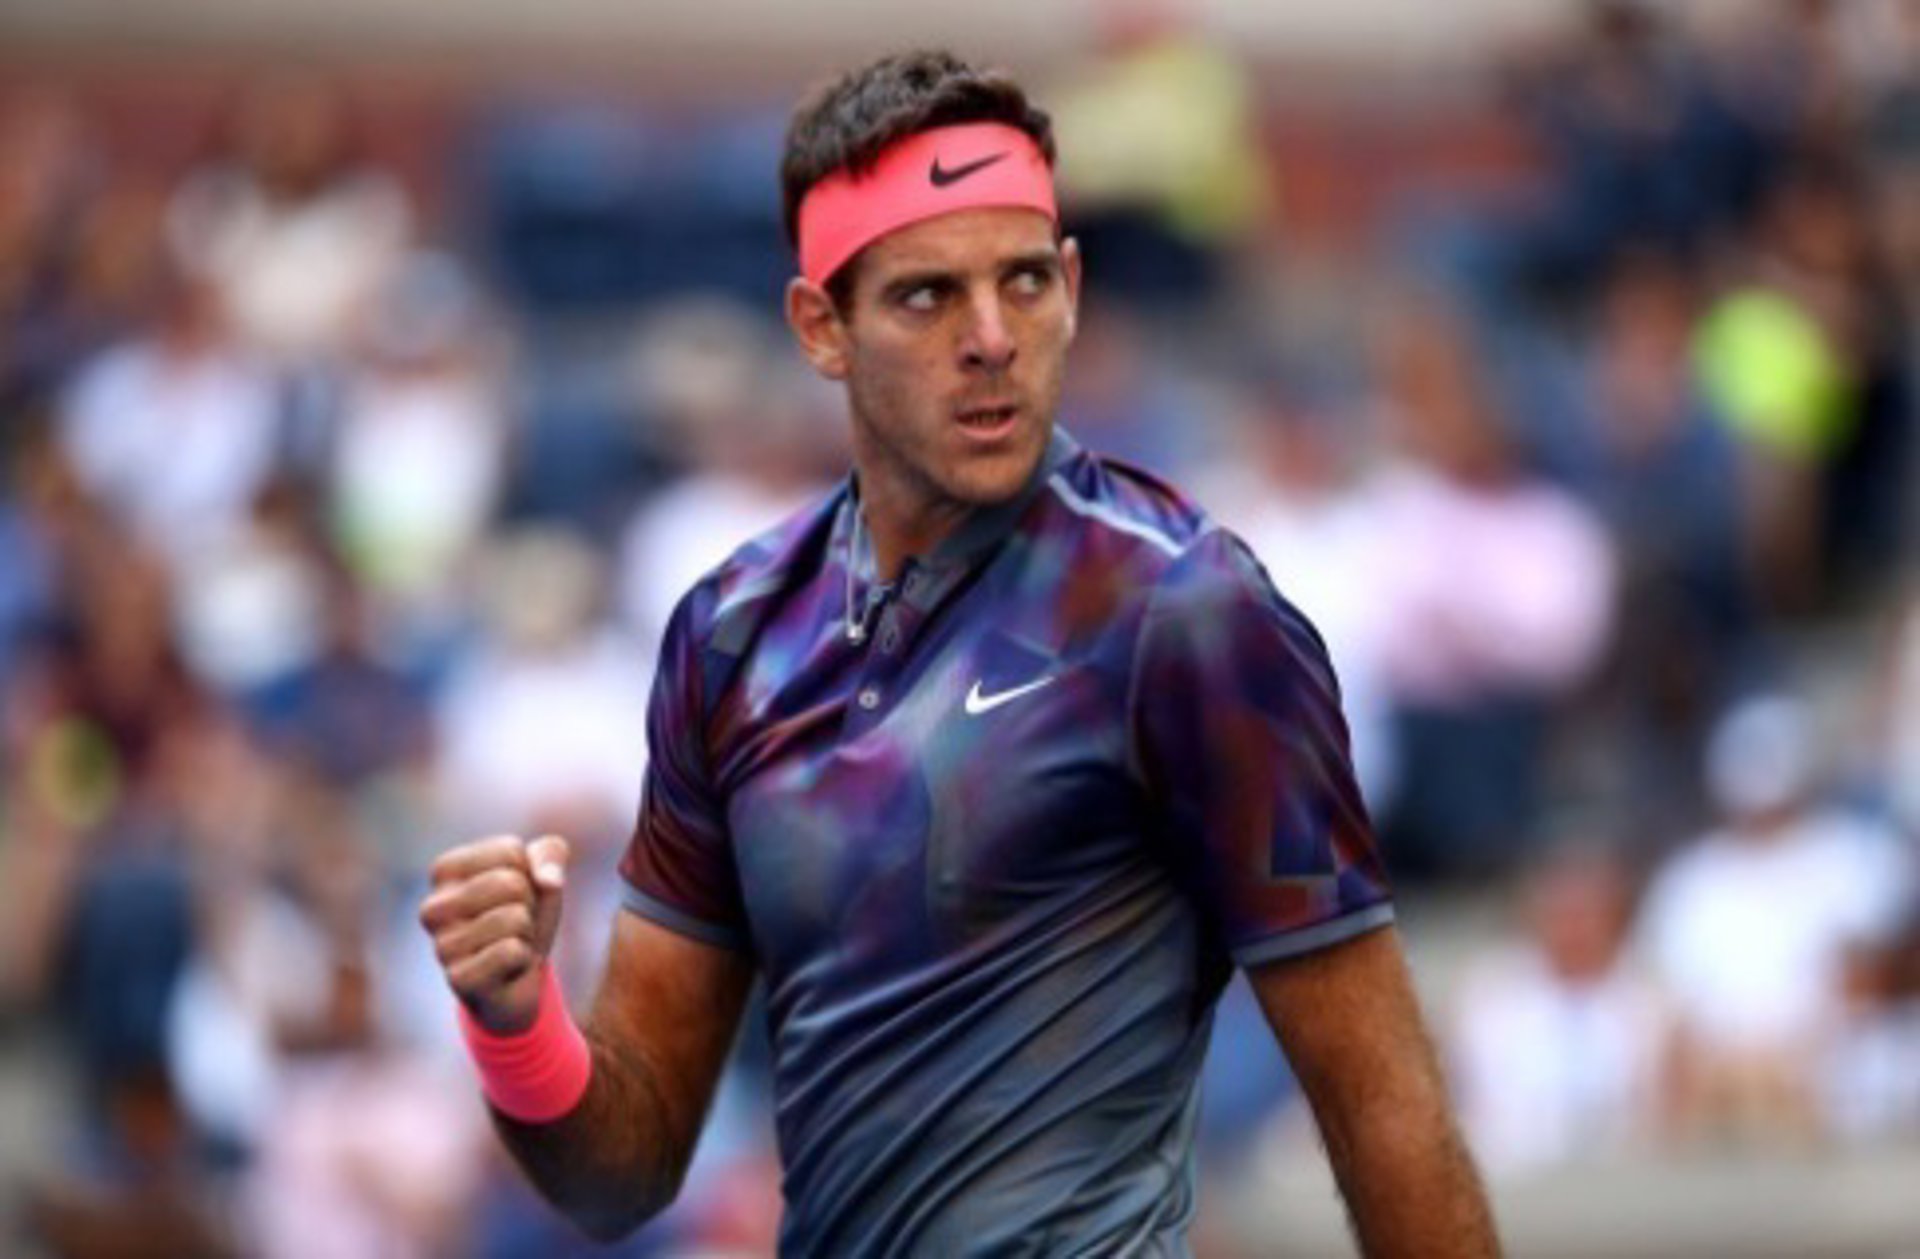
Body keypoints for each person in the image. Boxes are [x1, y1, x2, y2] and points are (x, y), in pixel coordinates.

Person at [419, 50, 1499, 1257]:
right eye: (927, 296)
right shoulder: (730, 635)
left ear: (1072, 287)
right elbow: (623, 1170)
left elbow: (1386, 1109)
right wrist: (514, 1020)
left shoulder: (1189, 613)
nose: (992, 338)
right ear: (821, 327)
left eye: (1024, 281)